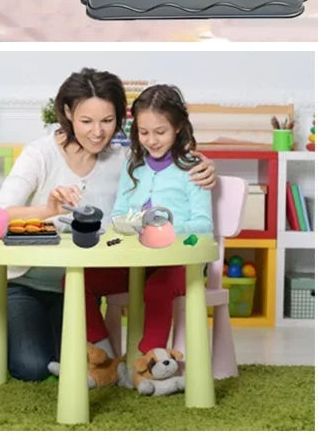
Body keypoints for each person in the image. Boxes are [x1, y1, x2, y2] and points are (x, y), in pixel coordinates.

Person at [0, 68, 216, 381]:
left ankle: (114, 363)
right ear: (68, 113)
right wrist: (47, 209)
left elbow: (166, 164)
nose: (97, 132)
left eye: (107, 120)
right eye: (86, 121)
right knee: (32, 366)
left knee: (65, 359)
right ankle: (99, 358)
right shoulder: (40, 154)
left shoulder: (125, 160)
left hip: (79, 279)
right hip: (27, 282)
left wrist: (205, 165)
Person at [73, 84, 213, 392]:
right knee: (78, 280)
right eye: (144, 132)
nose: (151, 140)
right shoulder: (133, 166)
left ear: (178, 127)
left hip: (180, 265)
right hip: (136, 261)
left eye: (160, 132)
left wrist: (163, 226)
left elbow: (203, 225)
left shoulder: (193, 168)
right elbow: (117, 216)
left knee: (156, 288)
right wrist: (132, 224)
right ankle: (105, 358)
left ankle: (148, 363)